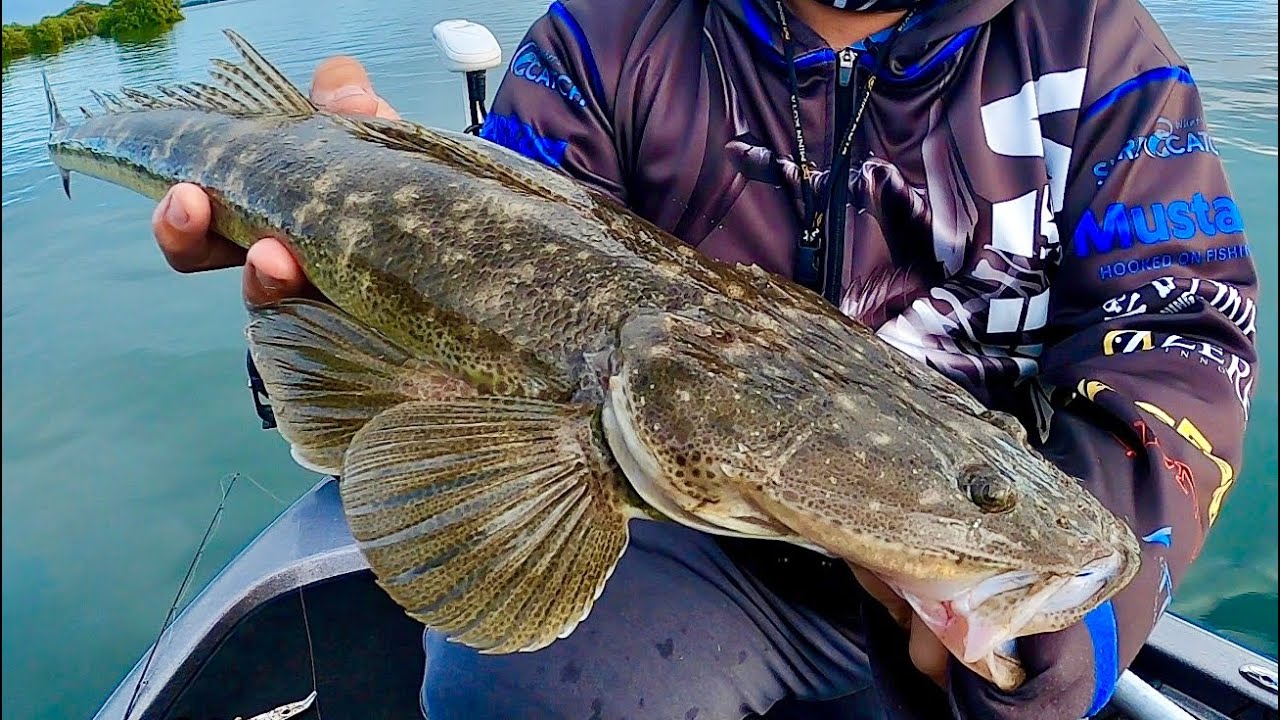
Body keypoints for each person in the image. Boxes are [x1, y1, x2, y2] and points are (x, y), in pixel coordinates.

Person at [151, 0, 1260, 717]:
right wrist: (332, 265)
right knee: (511, 684)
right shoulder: (609, 35)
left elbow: (1180, 333)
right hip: (683, 558)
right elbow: (480, 276)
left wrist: (1086, 616)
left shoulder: (1102, 60)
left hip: (936, 606)